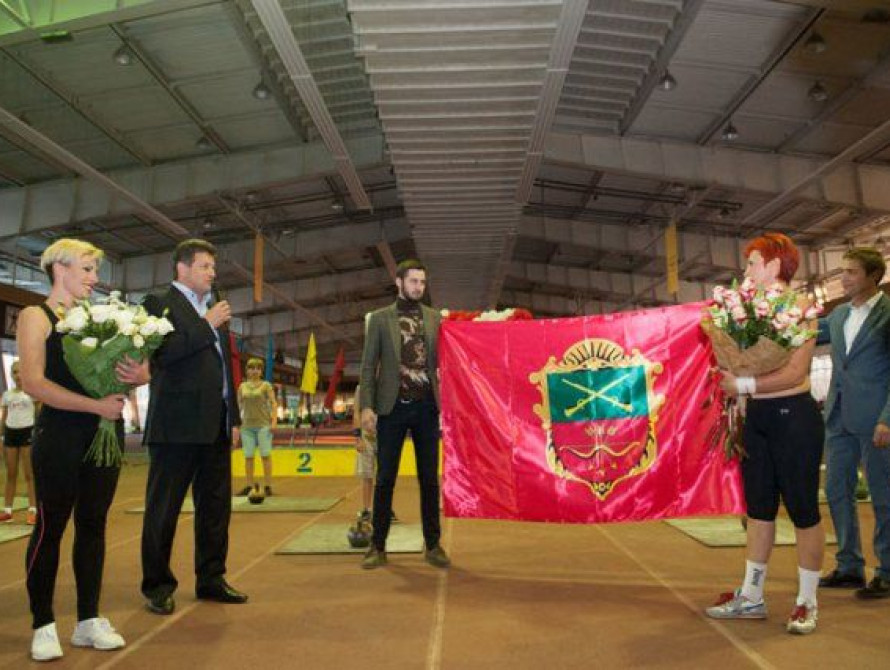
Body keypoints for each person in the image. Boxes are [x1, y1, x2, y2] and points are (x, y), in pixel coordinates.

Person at [18, 238, 144, 661]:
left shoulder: (101, 318)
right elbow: (34, 383)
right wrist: (94, 405)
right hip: (59, 435)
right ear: (60, 269)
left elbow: (119, 373)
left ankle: (88, 620)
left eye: (94, 270)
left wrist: (137, 373)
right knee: (50, 527)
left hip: (102, 436)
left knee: (93, 525)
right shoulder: (36, 317)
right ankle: (43, 624)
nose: (95, 278)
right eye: (87, 269)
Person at [705, 233, 825, 635]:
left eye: (751, 263)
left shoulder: (802, 309)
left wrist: (743, 386)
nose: (746, 272)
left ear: (774, 266)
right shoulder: (745, 313)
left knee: (804, 510)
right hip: (757, 419)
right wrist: (738, 398)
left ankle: (807, 602)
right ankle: (752, 595)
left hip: (795, 419)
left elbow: (795, 373)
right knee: (757, 509)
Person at [140, 239, 247, 616]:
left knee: (216, 508)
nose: (212, 273)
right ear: (183, 268)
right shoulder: (157, 304)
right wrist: (206, 324)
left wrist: (233, 417)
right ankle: (157, 585)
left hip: (215, 425)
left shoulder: (213, 310)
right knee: (163, 508)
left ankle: (211, 578)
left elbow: (224, 370)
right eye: (205, 266)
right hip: (176, 427)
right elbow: (164, 354)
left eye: (212, 268)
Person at [359, 259, 449, 569]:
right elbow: (369, 366)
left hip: (426, 408)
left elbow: (447, 362)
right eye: (413, 282)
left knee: (429, 481)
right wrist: (366, 406)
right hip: (391, 408)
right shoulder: (380, 320)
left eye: (422, 283)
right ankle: (377, 545)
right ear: (399, 283)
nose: (418, 287)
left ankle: (433, 545)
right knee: (385, 479)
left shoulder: (436, 319)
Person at [818, 247, 890, 599]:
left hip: (876, 421)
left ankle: (888, 571)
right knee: (836, 491)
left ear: (873, 277)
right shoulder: (838, 315)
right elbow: (799, 337)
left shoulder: (888, 314)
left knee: (883, 497)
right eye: (842, 271)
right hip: (838, 418)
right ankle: (849, 566)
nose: (843, 278)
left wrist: (887, 419)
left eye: (852, 272)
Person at [1, 360, 37, 525]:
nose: (18, 375)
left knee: (30, 474)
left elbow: (39, 415)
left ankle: (33, 510)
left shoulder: (33, 393)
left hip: (27, 433)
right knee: (11, 473)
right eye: (14, 372)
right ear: (11, 375)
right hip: (10, 434)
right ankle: (7, 511)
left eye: (20, 371)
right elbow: (4, 417)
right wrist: (1, 436)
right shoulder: (7, 395)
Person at [235, 357, 276, 497]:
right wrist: (236, 424)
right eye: (251, 368)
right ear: (246, 370)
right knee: (248, 456)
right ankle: (249, 485)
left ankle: (268, 485)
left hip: (264, 425)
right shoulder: (242, 387)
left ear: (261, 371)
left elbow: (273, 403)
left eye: (258, 368)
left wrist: (274, 422)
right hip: (246, 426)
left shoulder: (266, 385)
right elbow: (238, 405)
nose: (254, 371)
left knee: (265, 455)